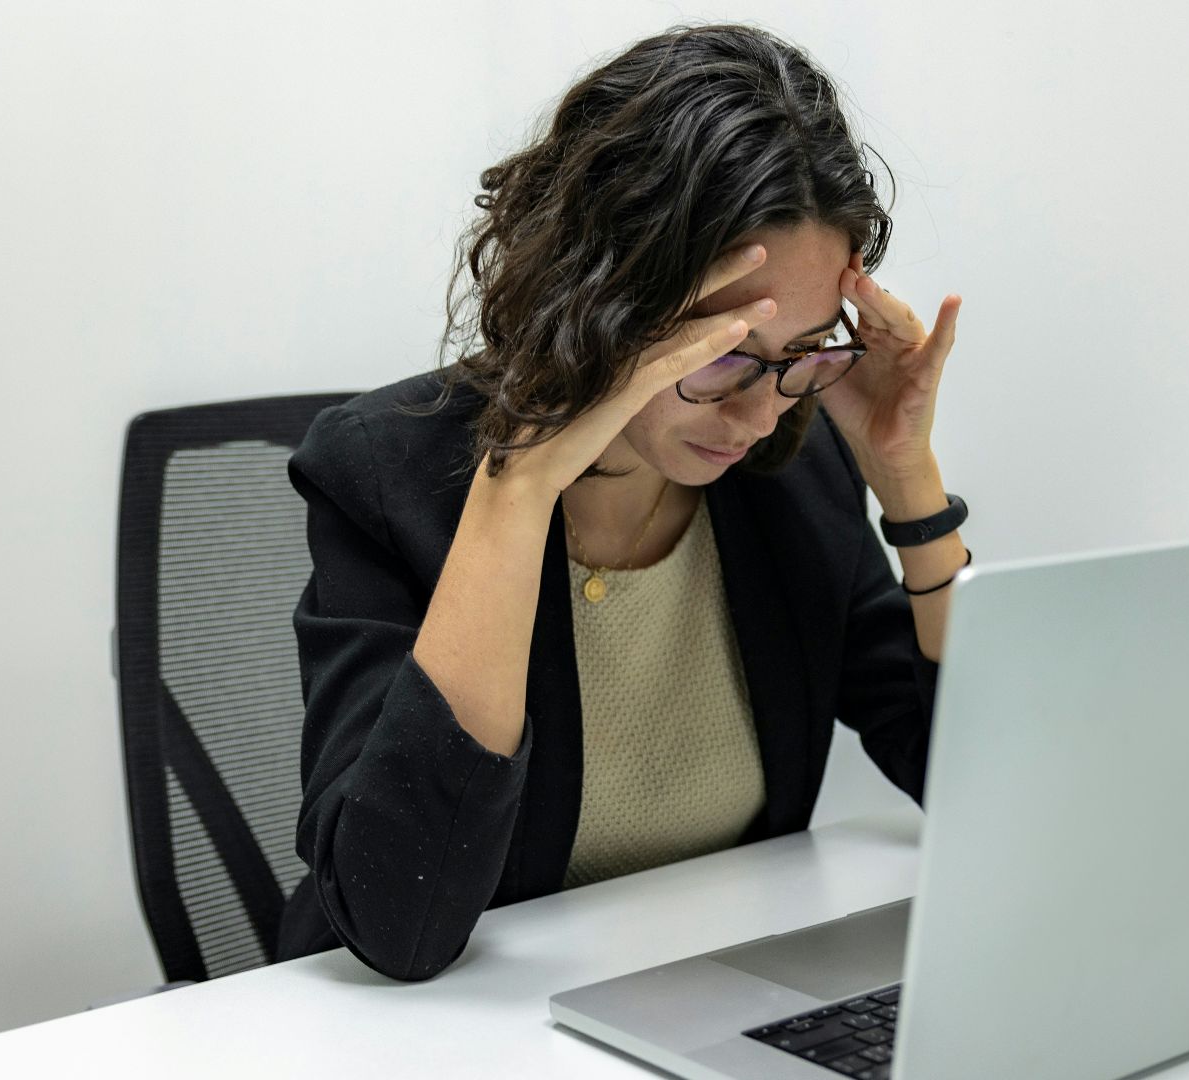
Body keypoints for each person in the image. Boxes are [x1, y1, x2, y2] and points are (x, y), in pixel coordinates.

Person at [274, 22, 967, 981]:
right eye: (720, 353)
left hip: (699, 996)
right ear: (596, 297)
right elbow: (401, 924)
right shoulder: (387, 474)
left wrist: (909, 485)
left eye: (804, 353)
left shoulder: (789, 478)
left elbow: (984, 790)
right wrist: (518, 492)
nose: (759, 413)